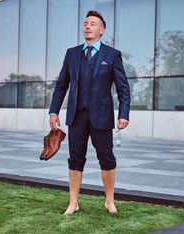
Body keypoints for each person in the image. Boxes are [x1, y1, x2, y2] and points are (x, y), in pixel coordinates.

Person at [49, 10, 130, 214]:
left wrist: (124, 114)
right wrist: (53, 112)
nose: (87, 26)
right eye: (85, 23)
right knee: (75, 158)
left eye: (93, 24)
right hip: (76, 115)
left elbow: (123, 87)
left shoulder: (112, 55)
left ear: (101, 30)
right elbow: (61, 85)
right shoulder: (72, 53)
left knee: (107, 158)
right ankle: (73, 203)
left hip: (102, 116)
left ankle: (109, 201)